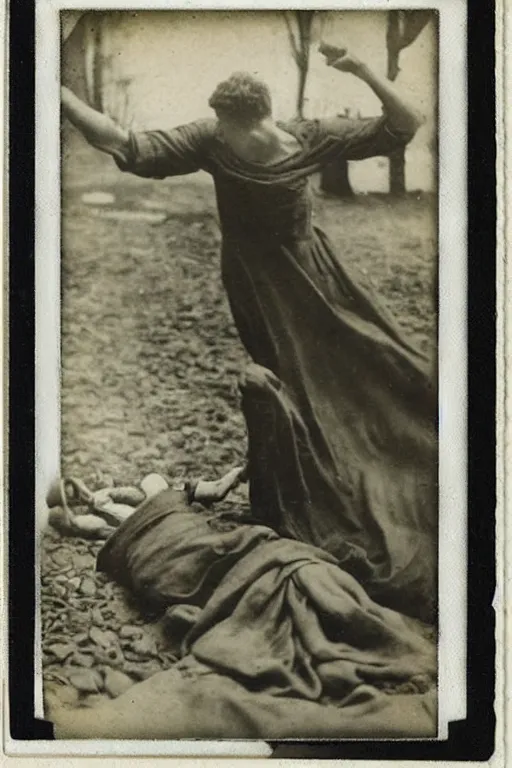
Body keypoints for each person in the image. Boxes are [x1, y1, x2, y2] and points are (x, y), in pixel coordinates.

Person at [61, 43, 437, 621]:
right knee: (304, 379)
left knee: (367, 360)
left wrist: (361, 67)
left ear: (249, 118)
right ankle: (300, 482)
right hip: (273, 283)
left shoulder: (278, 136)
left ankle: (376, 474)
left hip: (305, 277)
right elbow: (123, 143)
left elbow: (404, 123)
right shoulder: (240, 137)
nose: (239, 140)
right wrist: (57, 93)